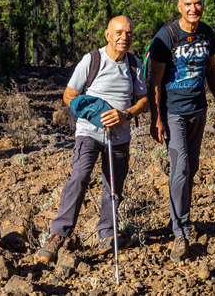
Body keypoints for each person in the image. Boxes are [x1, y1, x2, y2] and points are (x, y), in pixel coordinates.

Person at [37, 16, 147, 264]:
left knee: (113, 187)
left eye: (128, 33)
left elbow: (143, 100)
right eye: (119, 33)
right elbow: (69, 95)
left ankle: (108, 234)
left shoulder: (134, 64)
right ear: (108, 35)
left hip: (119, 137)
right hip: (89, 133)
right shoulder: (92, 60)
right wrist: (94, 113)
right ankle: (58, 235)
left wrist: (125, 114)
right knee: (80, 177)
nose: (124, 38)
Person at [148, 0, 215, 262]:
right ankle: (180, 231)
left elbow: (211, 70)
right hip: (173, 113)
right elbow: (154, 80)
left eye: (198, 3)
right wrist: (156, 118)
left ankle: (183, 217)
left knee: (190, 169)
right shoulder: (166, 36)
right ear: (179, 7)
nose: (194, 9)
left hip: (198, 110)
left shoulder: (206, 33)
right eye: (188, 4)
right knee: (180, 169)